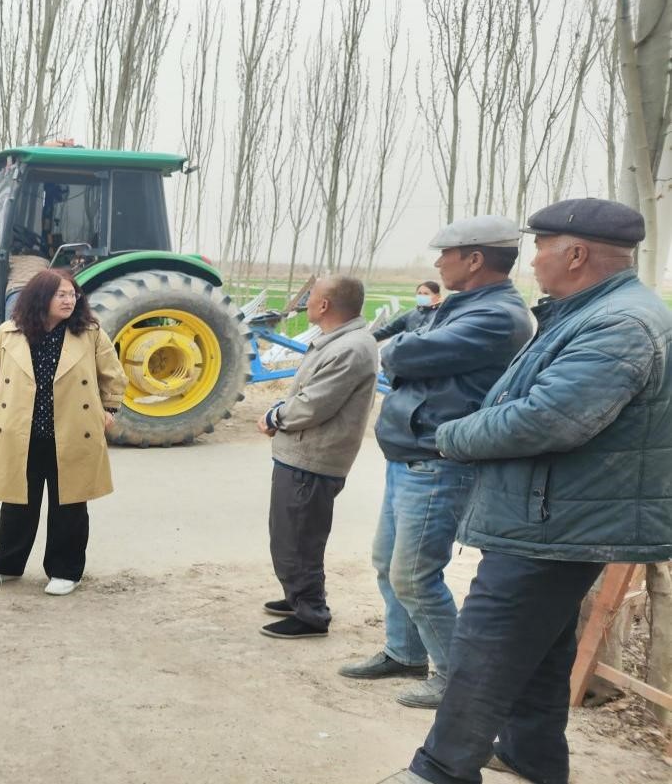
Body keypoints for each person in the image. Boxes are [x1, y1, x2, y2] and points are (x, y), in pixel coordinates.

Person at [384, 200, 672, 783]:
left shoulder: (619, 323)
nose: (533, 259)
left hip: (555, 519)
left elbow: (548, 418)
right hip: (558, 512)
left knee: (484, 647)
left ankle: (440, 770)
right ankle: (531, 756)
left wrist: (451, 435)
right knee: (541, 647)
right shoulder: (593, 311)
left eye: (540, 246)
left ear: (576, 253)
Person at [340, 216, 534, 709]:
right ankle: (405, 653)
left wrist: (403, 348)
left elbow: (404, 353)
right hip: (412, 453)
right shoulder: (462, 305)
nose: (438, 263)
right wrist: (409, 344)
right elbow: (411, 342)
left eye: (445, 254)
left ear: (475, 259)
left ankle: (455, 678)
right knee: (388, 564)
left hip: (438, 460)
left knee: (415, 575)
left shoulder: (496, 315)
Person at [0, 268, 128, 596]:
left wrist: (109, 410)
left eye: (73, 294)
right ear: (40, 298)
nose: (69, 300)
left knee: (69, 506)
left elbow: (113, 375)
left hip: (72, 432)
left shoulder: (90, 334)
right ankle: (5, 566)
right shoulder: (8, 333)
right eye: (61, 295)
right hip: (20, 433)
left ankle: (66, 570)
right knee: (16, 505)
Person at [256, 276, 379, 639]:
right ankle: (298, 596)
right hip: (302, 453)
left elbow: (314, 404)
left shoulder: (351, 348)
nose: (306, 301)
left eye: (311, 297)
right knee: (290, 534)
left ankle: (311, 614)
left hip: (313, 458)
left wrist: (274, 417)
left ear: (324, 305)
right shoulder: (340, 341)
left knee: (299, 539)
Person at [371, 281, 442, 341]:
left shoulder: (441, 315)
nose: (422, 296)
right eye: (419, 293)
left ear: (437, 296)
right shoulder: (411, 314)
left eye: (426, 294)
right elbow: (389, 330)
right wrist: (369, 339)